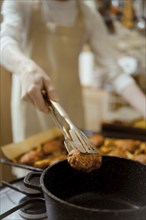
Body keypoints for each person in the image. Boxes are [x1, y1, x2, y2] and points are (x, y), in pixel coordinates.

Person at [0, 0, 146, 143]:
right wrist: (25, 68)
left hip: (70, 108)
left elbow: (114, 72)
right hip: (33, 106)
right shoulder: (21, 3)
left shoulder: (89, 15)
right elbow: (4, 42)